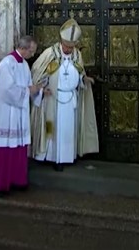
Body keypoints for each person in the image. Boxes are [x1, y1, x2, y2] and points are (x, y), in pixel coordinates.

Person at [30, 19, 99, 171]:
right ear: (61, 40)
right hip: (52, 99)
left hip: (70, 99)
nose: (68, 49)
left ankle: (67, 156)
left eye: (71, 46)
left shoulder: (77, 55)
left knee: (68, 129)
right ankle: (51, 157)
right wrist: (42, 87)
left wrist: (83, 79)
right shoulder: (50, 54)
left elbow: (80, 72)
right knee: (51, 129)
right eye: (67, 46)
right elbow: (37, 72)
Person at [0, 36, 40, 197]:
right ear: (24, 48)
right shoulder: (6, 65)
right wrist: (28, 91)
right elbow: (7, 91)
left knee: (17, 146)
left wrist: (38, 91)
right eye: (32, 51)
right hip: (6, 114)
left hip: (18, 114)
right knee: (4, 147)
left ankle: (17, 180)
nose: (33, 54)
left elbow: (27, 85)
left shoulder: (24, 65)